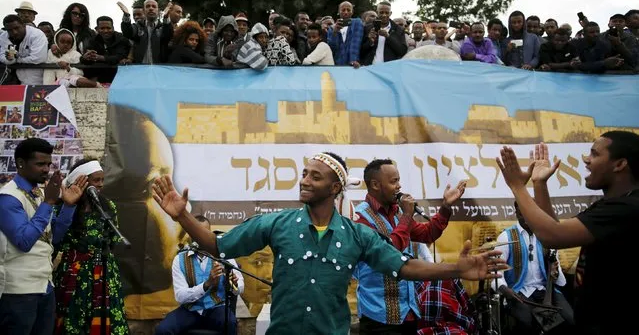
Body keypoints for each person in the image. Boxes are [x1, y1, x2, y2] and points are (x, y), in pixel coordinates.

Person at [152, 152, 507, 334]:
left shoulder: (357, 234)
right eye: (304, 174)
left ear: (335, 188)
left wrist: (456, 269)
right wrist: (182, 217)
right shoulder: (276, 223)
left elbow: (404, 265)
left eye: (314, 176)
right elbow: (220, 247)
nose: (304, 180)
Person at [496, 136, 639, 335]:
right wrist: (539, 184)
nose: (586, 159)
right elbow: (554, 229)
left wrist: (517, 187)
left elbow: (553, 236)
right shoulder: (611, 205)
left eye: (595, 154)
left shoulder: (627, 209)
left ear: (620, 164)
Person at [353, 159, 467, 334]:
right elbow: (388, 252)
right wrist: (407, 215)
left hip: (410, 312)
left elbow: (427, 233)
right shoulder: (360, 218)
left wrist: (445, 207)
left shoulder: (397, 212)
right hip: (379, 317)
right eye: (393, 181)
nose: (399, 186)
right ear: (375, 185)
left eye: (398, 180)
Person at [0, 138, 87, 335]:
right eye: (40, 164)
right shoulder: (8, 198)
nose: (46, 169)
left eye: (48, 164)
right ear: (21, 163)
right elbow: (24, 241)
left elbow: (52, 237)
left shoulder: (38, 193)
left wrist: (68, 206)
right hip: (18, 291)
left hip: (45, 285)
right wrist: (48, 201)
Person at [52, 159, 129, 334]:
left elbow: (112, 241)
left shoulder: (108, 207)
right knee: (73, 320)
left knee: (106, 319)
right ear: (81, 181)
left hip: (104, 271)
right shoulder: (62, 207)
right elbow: (57, 240)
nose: (101, 185)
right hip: (74, 272)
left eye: (102, 180)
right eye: (96, 180)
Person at [155, 215, 244, 335]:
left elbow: (240, 288)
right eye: (196, 232)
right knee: (163, 330)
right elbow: (180, 296)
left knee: (230, 324)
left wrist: (234, 284)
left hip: (216, 308)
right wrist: (207, 284)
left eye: (205, 232)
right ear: (190, 234)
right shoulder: (179, 259)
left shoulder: (223, 256)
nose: (201, 236)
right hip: (190, 310)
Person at [495, 202, 574, 335]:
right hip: (519, 292)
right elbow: (496, 272)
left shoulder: (547, 236)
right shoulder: (506, 237)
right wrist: (504, 289)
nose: (526, 216)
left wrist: (555, 271)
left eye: (529, 212)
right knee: (527, 322)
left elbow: (561, 281)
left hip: (546, 290)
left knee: (570, 319)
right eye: (521, 212)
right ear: (516, 212)